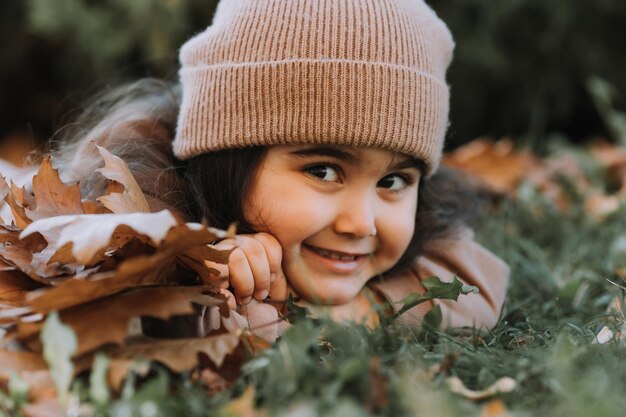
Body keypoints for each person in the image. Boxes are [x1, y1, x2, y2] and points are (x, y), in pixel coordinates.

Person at [12, 0, 510, 342]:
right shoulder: (123, 193)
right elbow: (128, 316)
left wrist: (351, 314)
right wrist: (203, 268)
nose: (362, 222)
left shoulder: (423, 220)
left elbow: (477, 282)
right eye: (323, 170)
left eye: (393, 181)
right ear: (228, 157)